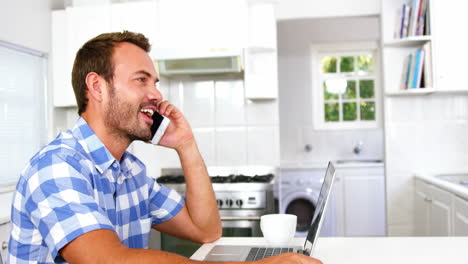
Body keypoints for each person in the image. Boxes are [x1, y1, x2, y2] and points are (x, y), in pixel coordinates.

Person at [7, 31, 323, 264]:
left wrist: (186, 145)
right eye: (141, 80)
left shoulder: (130, 173)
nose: (156, 94)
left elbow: (206, 231)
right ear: (97, 87)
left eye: (155, 82)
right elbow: (108, 261)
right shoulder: (57, 168)